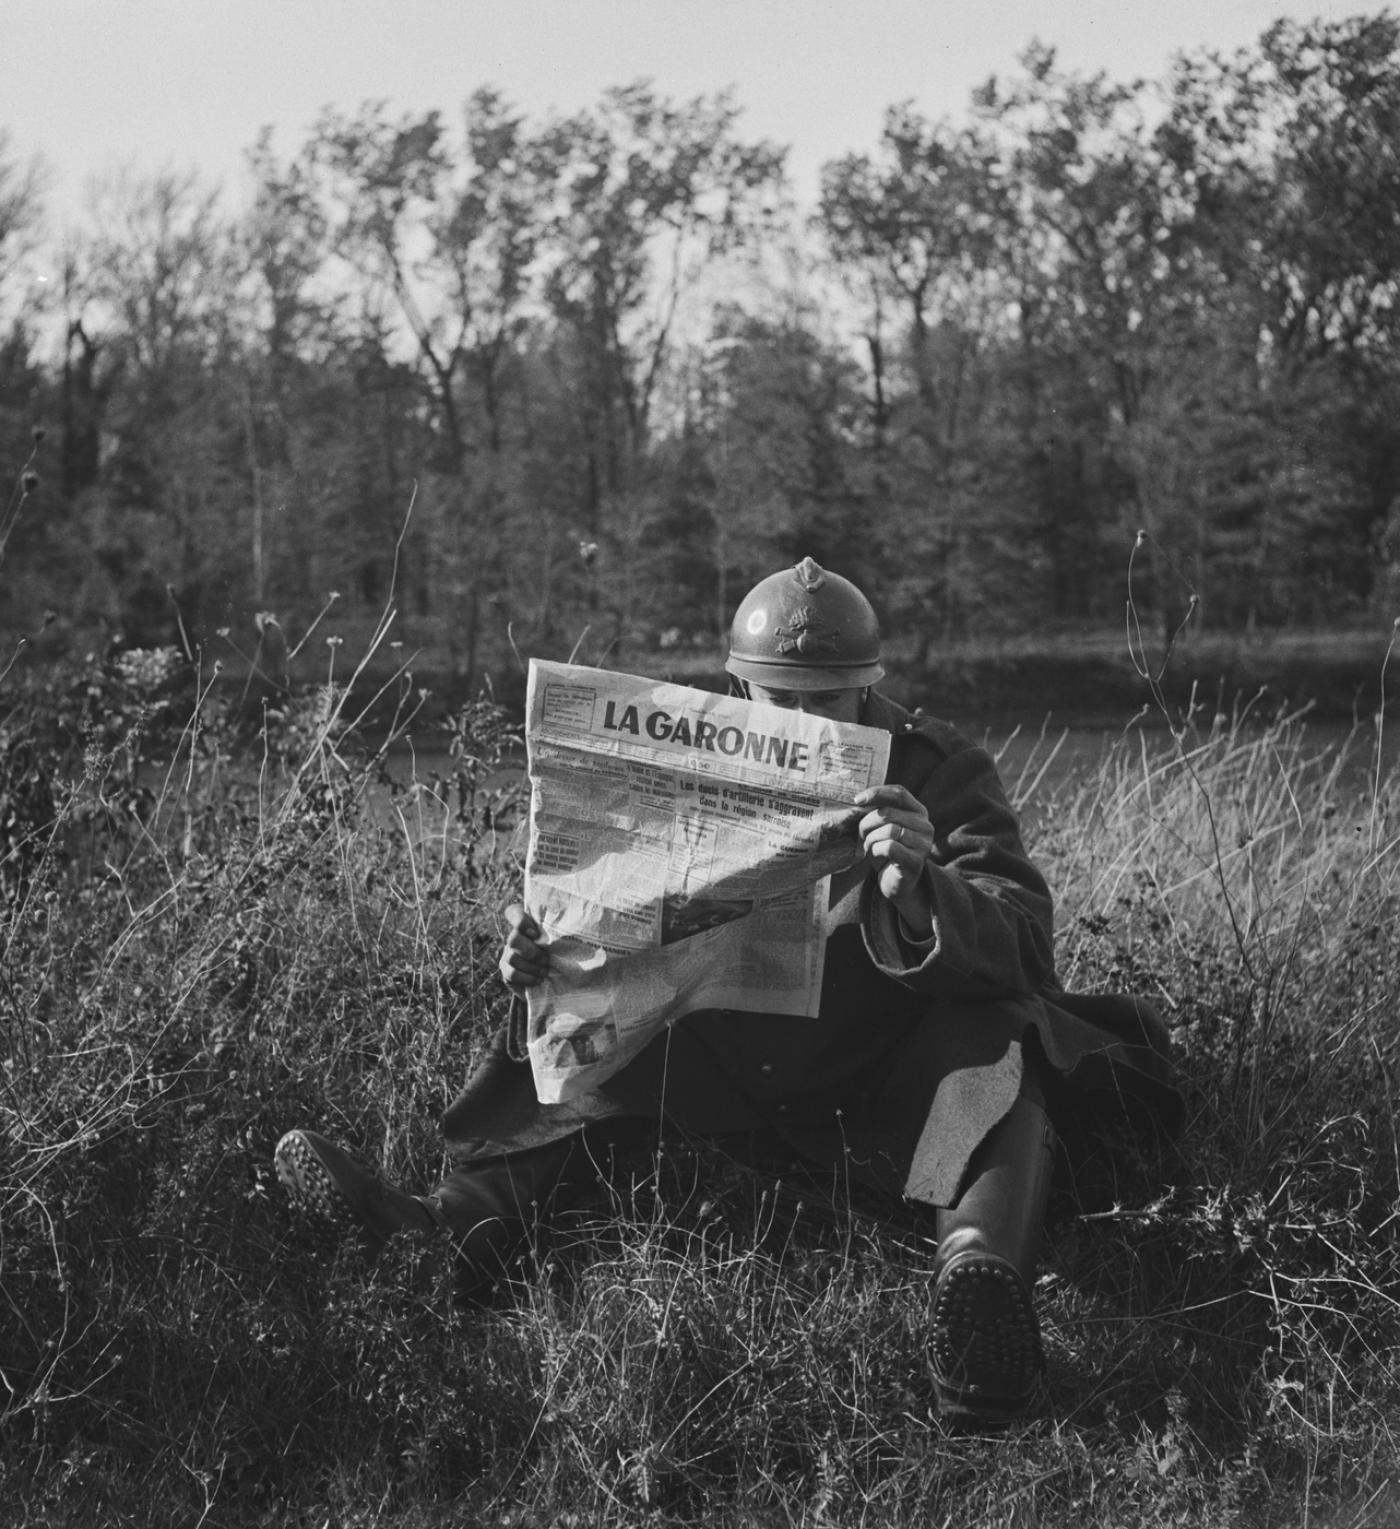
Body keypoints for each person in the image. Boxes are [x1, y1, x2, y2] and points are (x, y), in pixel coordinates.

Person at [275, 556, 1180, 1423]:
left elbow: (1024, 939)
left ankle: (978, 1289)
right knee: (574, 1001)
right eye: (779, 701)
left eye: (827, 701)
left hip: (880, 1078)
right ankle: (437, 1235)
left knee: (1000, 1041)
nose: (804, 721)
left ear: (869, 684)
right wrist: (539, 946)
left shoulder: (938, 767)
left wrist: (923, 888)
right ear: (738, 687)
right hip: (716, 1058)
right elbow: (595, 898)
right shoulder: (687, 756)